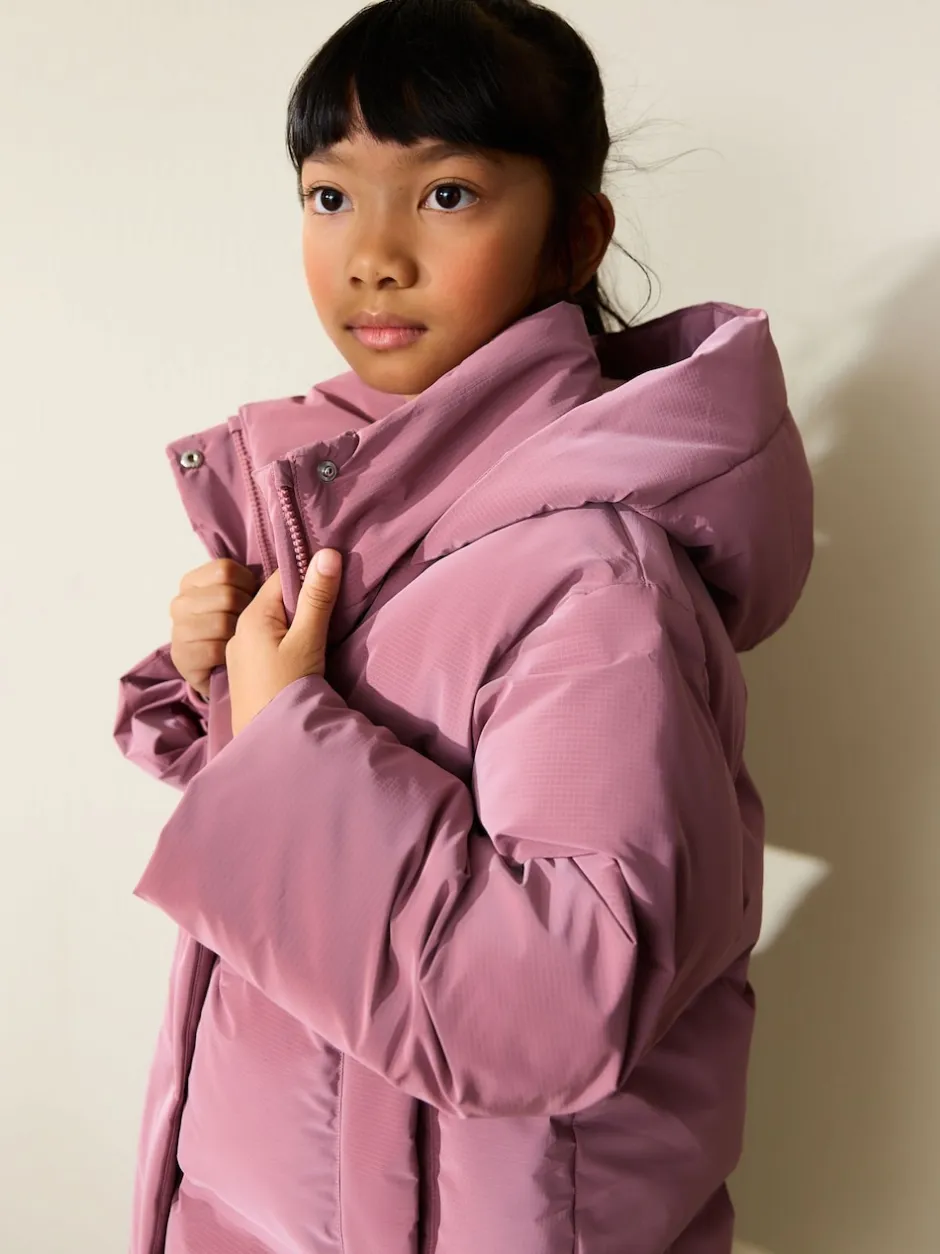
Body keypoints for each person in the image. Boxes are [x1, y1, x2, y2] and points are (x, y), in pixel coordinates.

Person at [113, 2, 814, 1252]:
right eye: (331, 197)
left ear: (572, 239)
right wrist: (213, 680)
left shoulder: (594, 582)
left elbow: (552, 1004)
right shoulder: (365, 510)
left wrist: (280, 738)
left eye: (446, 195)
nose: (374, 254)